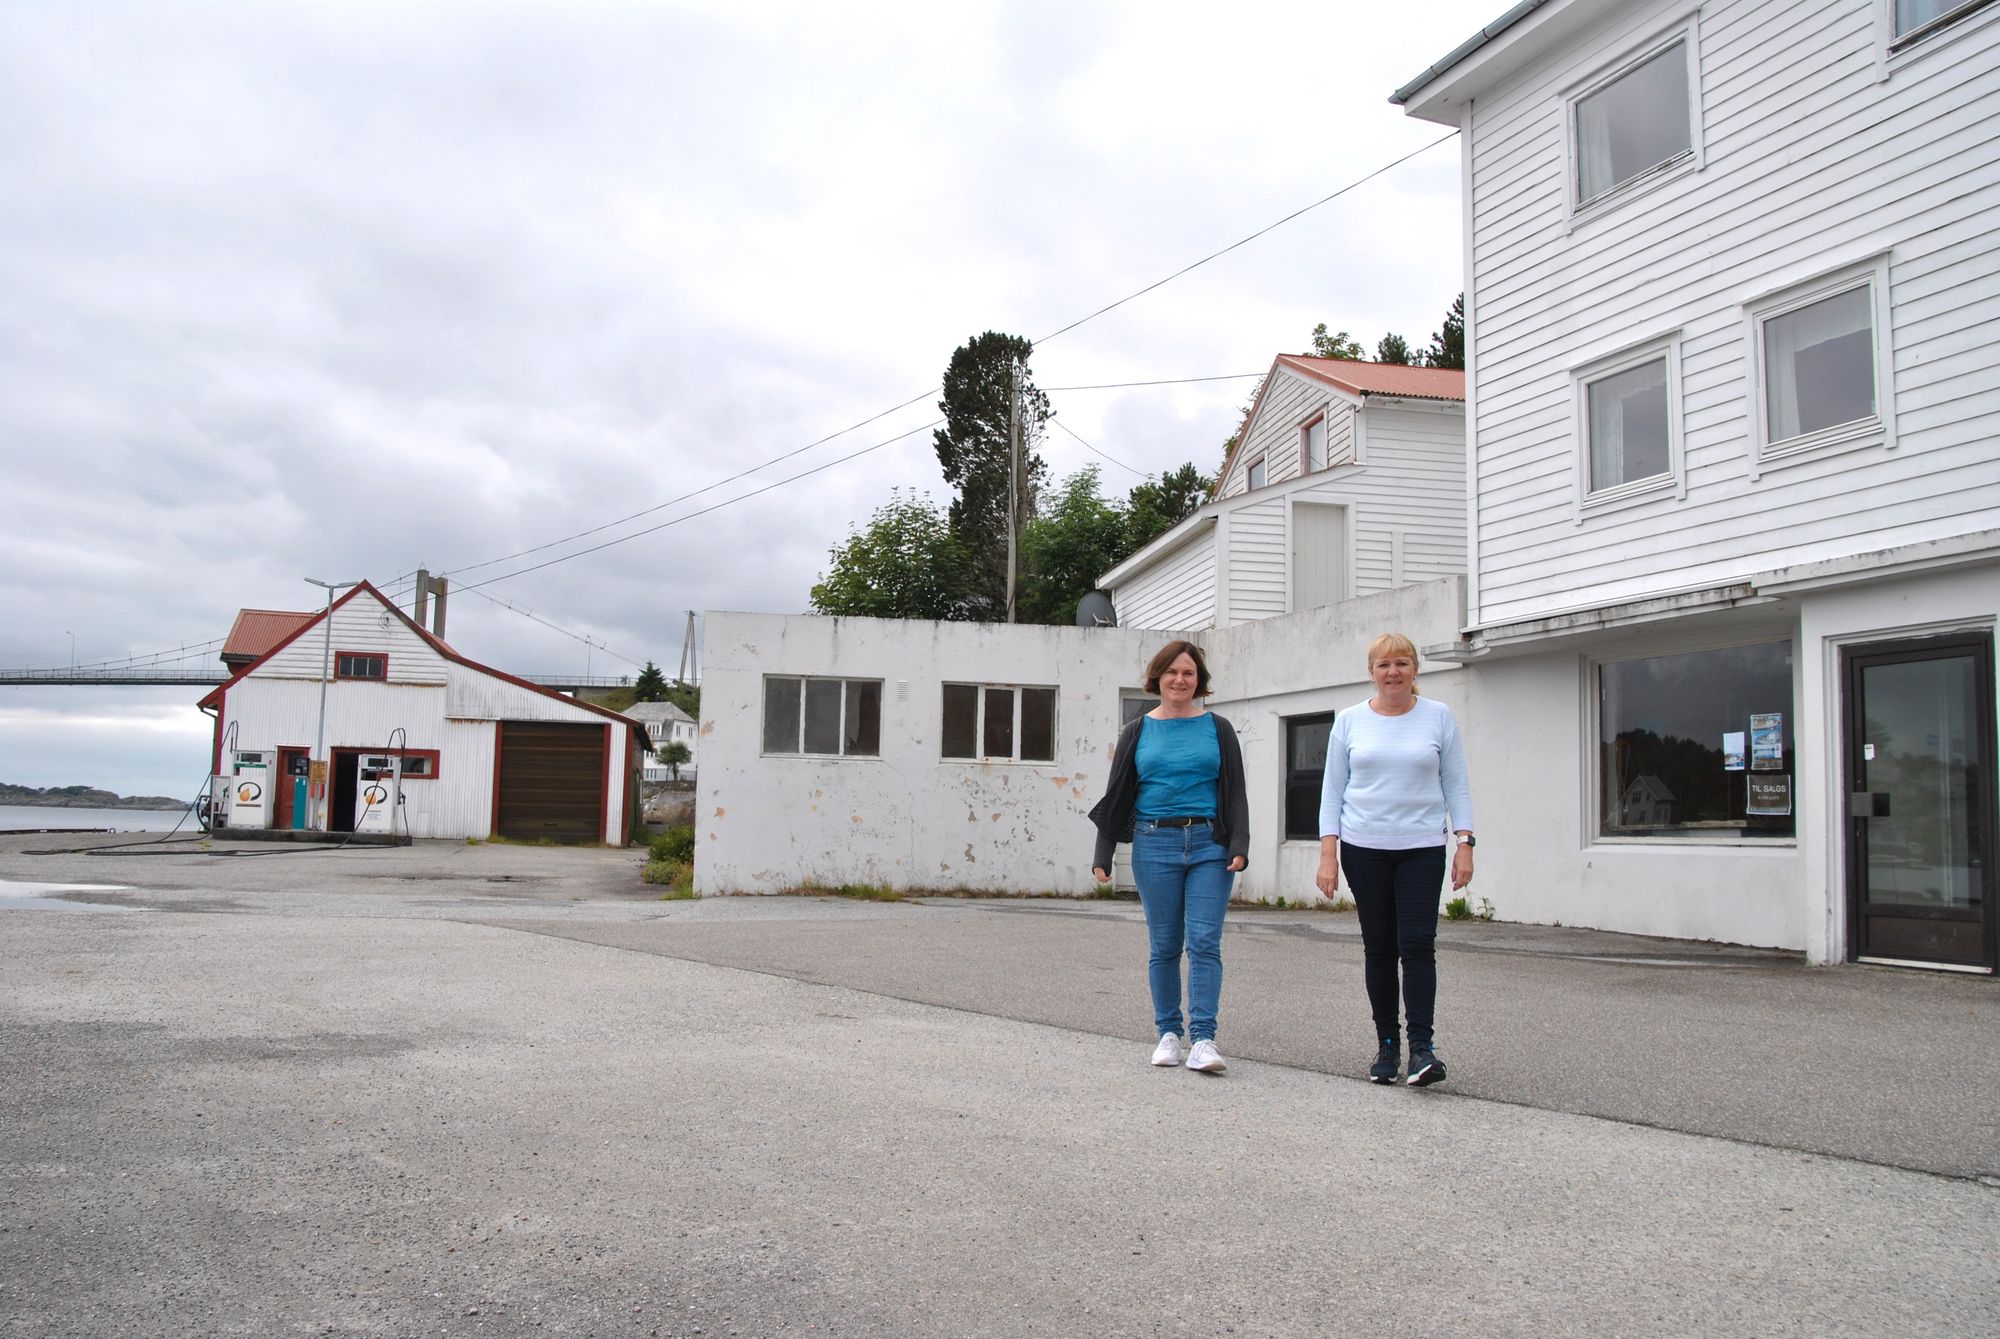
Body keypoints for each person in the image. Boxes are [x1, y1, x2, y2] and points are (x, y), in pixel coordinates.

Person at [1315, 632, 1474, 1088]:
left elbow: (1456, 785)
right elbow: (1331, 793)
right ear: (1372, 672)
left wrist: (1465, 842)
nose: (1393, 672)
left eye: (1402, 663)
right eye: (1384, 665)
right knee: (1380, 949)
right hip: (1364, 849)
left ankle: (1422, 1049)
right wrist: (1329, 854)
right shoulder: (1349, 721)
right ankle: (1387, 1046)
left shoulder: (1438, 717)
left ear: (1415, 670)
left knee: (1418, 945)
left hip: (1422, 848)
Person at [1089, 641, 1249, 1074]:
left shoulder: (1219, 728)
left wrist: (1240, 845)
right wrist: (1103, 854)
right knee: (1164, 945)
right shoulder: (1137, 731)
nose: (1180, 680)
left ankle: (1204, 1040)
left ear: (1199, 681)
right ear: (1157, 678)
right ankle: (1168, 1035)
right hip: (1153, 843)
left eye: (1189, 673)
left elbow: (1234, 792)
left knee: (1203, 943)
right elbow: (1118, 793)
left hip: (1208, 845)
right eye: (1172, 673)